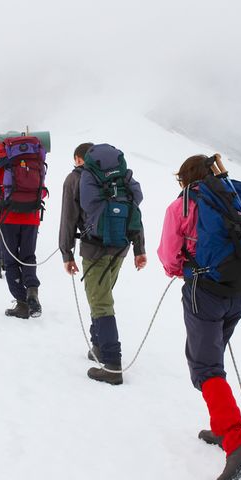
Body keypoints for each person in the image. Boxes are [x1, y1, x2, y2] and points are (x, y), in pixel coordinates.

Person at [157, 154, 241, 480]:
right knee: (213, 359)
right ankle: (221, 426)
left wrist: (179, 270)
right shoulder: (233, 196)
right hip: (240, 289)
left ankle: (236, 440)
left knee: (205, 366)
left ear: (184, 178)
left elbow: (169, 255)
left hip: (204, 290)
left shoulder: (183, 205)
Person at [59, 142, 147, 385]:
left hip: (94, 248)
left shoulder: (76, 179)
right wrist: (139, 249)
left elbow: (68, 217)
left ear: (80, 158)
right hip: (121, 246)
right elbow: (134, 211)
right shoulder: (119, 177)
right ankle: (98, 345)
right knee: (100, 295)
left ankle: (112, 364)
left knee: (100, 302)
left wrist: (66, 252)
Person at [0, 140, 46, 318]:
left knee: (10, 261)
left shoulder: (2, 160)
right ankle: (32, 291)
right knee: (28, 256)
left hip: (8, 217)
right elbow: (42, 190)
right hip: (31, 217)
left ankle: (22, 304)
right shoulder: (36, 159)